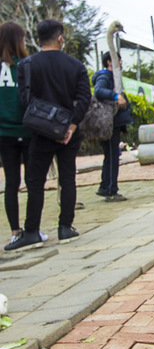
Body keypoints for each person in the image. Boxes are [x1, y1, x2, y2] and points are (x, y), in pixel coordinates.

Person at [10, 19, 91, 250]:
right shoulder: (75, 66)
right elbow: (84, 98)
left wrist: (46, 123)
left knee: (35, 181)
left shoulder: (27, 65)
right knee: (67, 178)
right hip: (69, 133)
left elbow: (25, 99)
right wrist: (71, 125)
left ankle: (32, 230)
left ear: (37, 40)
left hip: (40, 132)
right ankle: (65, 227)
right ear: (60, 38)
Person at [0, 22, 48, 251]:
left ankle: (14, 231)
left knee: (11, 182)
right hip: (28, 130)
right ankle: (33, 229)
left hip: (4, 133)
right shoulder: (26, 65)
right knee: (34, 181)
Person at [92, 52, 132, 202]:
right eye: (118, 60)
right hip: (108, 123)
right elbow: (98, 90)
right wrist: (116, 97)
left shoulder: (113, 77)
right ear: (110, 62)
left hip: (113, 123)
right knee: (112, 156)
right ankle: (110, 189)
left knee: (110, 155)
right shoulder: (105, 76)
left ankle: (105, 186)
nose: (120, 63)